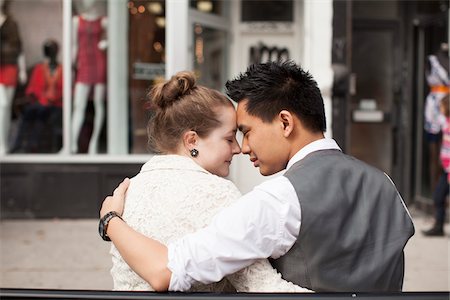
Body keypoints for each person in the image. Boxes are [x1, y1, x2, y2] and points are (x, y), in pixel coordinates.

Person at [100, 61, 415, 292]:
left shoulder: (277, 199)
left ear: (285, 123)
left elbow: (166, 271)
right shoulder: (385, 184)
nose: (243, 147)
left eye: (247, 132)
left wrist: (111, 219)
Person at [107, 71, 310, 292]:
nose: (238, 149)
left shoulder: (126, 193)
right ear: (192, 140)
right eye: (229, 138)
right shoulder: (217, 193)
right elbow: (263, 288)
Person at [11, 39, 63, 153]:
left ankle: (32, 145)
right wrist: (39, 98)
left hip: (57, 104)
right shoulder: (40, 68)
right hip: (41, 102)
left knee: (42, 112)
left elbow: (65, 90)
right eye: (48, 51)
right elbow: (33, 88)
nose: (50, 53)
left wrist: (53, 98)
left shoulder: (62, 69)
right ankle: (18, 144)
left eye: (52, 50)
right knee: (30, 112)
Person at [71, 0, 107, 154]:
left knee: (99, 103)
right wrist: (71, 64)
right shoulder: (76, 21)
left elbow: (114, 39)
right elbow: (74, 44)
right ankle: (71, 143)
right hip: (84, 63)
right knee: (79, 104)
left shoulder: (104, 21)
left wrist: (106, 43)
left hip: (99, 62)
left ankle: (94, 143)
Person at [0, 0, 27, 154]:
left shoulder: (12, 23)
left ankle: (4, 143)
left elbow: (19, 47)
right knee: (2, 104)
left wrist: (22, 69)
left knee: (6, 107)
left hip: (10, 65)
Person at [424, 43, 449, 191]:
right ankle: (436, 190)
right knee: (434, 152)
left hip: (448, 104)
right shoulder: (432, 60)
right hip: (435, 106)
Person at [423, 94, 449, 237]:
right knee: (439, 197)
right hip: (446, 170)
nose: (441, 109)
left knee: (440, 195)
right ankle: (438, 226)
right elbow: (437, 118)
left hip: (449, 171)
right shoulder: (446, 123)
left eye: (443, 107)